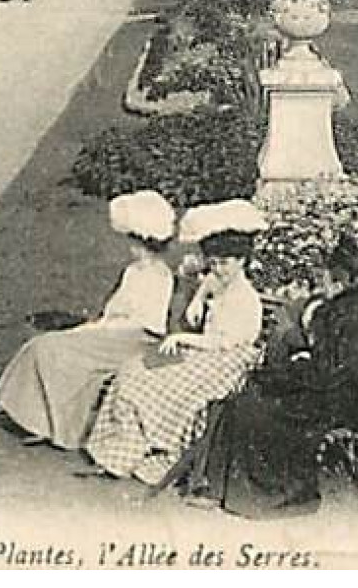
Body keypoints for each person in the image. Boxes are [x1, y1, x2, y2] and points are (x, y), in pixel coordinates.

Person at [183, 235, 358, 518]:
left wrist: (293, 373)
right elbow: (322, 360)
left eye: (326, 280)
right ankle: (221, 488)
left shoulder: (357, 319)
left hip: (351, 400)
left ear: (340, 283)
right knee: (245, 397)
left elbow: (340, 371)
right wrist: (293, 366)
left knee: (262, 410)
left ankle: (274, 496)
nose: (321, 286)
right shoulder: (338, 309)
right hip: (328, 386)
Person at [83, 199, 266, 486]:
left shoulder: (247, 299)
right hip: (204, 353)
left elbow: (224, 342)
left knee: (160, 387)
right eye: (214, 262)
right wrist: (198, 296)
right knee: (133, 371)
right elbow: (205, 281)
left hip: (227, 362)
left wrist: (183, 336)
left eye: (225, 263)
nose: (218, 269)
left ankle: (155, 454)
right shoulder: (221, 283)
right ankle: (118, 454)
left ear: (242, 261)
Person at [0, 191, 177, 450]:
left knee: (52, 349)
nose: (132, 249)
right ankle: (27, 416)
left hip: (133, 340)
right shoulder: (133, 271)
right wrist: (99, 326)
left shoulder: (160, 277)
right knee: (45, 345)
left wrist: (101, 328)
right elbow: (115, 310)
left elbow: (148, 324)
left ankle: (46, 425)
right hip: (112, 333)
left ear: (147, 243)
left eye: (136, 244)